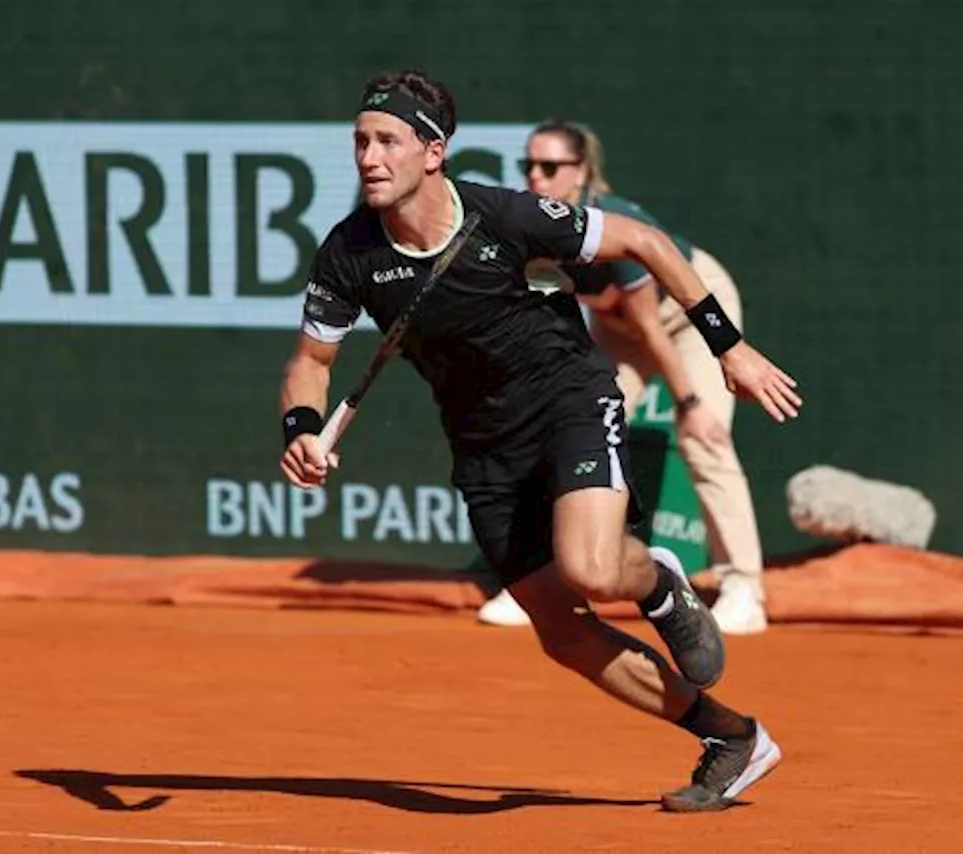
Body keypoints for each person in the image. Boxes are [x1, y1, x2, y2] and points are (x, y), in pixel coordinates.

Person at [279, 70, 799, 812]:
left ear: (433, 152)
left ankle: (653, 582)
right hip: (483, 445)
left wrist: (729, 347)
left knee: (590, 568)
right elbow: (311, 362)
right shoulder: (349, 254)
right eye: (361, 141)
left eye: (387, 141)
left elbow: (644, 242)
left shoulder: (507, 216)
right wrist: (301, 428)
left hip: (568, 401)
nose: (369, 156)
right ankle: (733, 740)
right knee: (560, 631)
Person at [477, 121, 769, 635]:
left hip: (689, 313)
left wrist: (691, 403)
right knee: (569, 435)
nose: (536, 177)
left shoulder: (614, 221)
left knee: (705, 441)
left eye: (550, 167)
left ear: (582, 171)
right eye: (529, 166)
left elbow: (652, 328)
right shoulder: (533, 227)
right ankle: (538, 579)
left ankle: (744, 588)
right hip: (618, 327)